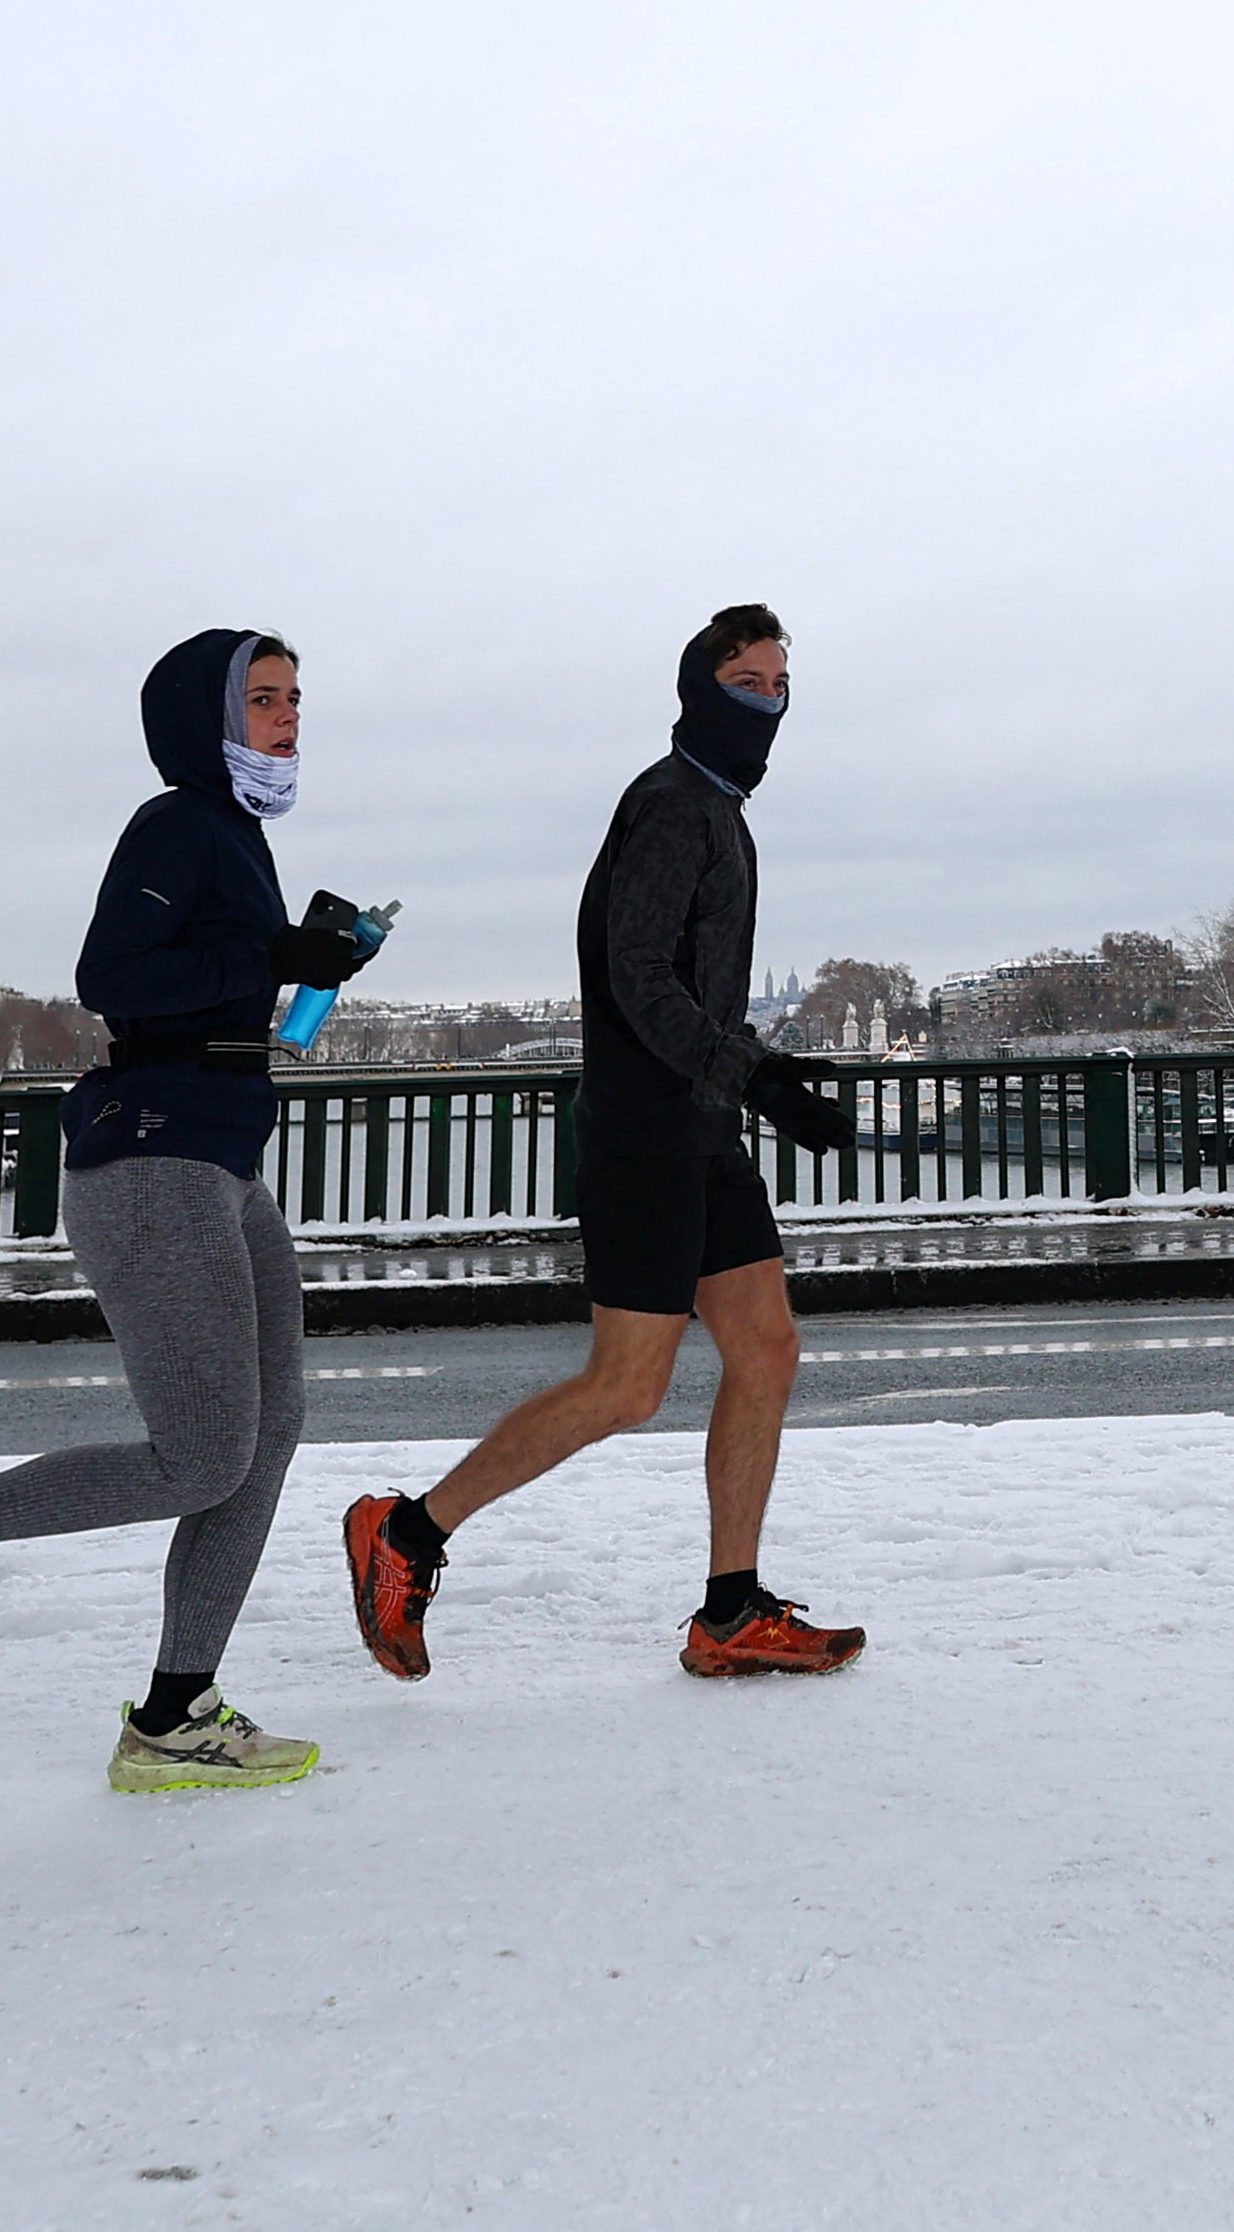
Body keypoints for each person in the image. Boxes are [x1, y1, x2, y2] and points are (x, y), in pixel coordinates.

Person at [0, 625, 384, 1791]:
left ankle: (175, 1711)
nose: (288, 718)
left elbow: (215, 978)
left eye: (296, 700)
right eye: (263, 699)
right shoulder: (176, 825)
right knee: (201, 1454)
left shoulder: (240, 836)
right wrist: (268, 949)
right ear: (205, 719)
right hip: (153, 1158)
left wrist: (296, 957)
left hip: (219, 1156)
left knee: (268, 1432)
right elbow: (111, 977)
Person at [345, 603, 867, 1684]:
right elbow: (636, 978)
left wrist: (748, 1078)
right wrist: (756, 1073)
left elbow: (693, 985)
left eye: (780, 686)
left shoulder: (720, 809)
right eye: (747, 682)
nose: (766, 702)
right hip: (645, 1133)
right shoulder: (674, 806)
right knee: (627, 1387)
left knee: (766, 1348)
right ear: (697, 688)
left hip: (701, 1126)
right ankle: (408, 1533)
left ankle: (730, 1609)